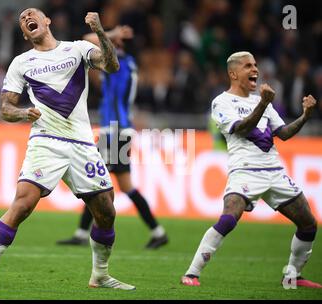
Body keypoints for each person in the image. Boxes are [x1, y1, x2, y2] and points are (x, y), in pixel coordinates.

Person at [0, 8, 135, 291]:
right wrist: (23, 113)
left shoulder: (78, 50)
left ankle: (100, 275)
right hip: (46, 141)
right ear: (25, 33)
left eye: (31, 14)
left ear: (46, 21)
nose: (26, 18)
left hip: (82, 143)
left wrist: (99, 32)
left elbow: (112, 66)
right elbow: (5, 109)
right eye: (23, 20)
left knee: (107, 212)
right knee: (23, 203)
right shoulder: (22, 63)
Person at [181, 51, 322, 289]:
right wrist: (264, 102)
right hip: (245, 170)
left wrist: (305, 116)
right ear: (234, 73)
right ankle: (192, 273)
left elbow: (284, 134)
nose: (255, 69)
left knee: (308, 223)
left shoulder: (261, 101)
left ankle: (293, 276)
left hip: (274, 171)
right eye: (248, 66)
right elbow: (242, 129)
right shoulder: (222, 102)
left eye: (255, 65)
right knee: (228, 218)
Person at [56, 26, 168, 249]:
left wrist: (111, 32)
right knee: (123, 186)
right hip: (119, 130)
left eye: (112, 42)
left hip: (114, 131)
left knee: (96, 181)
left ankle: (82, 234)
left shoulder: (119, 63)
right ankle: (158, 232)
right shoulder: (129, 63)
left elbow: (85, 38)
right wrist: (113, 35)